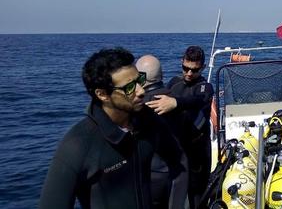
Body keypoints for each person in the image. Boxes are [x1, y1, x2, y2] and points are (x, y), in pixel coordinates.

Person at [39, 47, 188, 209]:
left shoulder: (149, 121)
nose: (140, 91)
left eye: (139, 80)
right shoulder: (78, 145)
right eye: (129, 87)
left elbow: (179, 161)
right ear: (102, 94)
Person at [145, 46, 214, 209]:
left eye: (195, 70)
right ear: (181, 63)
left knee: (197, 196)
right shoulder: (174, 83)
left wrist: (176, 103)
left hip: (197, 152)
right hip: (177, 148)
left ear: (202, 68)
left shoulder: (205, 87)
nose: (189, 74)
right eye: (186, 68)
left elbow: (200, 100)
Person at [136, 54, 188, 209]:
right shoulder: (176, 100)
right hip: (179, 173)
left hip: (152, 175)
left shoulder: (141, 106)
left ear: (141, 78)